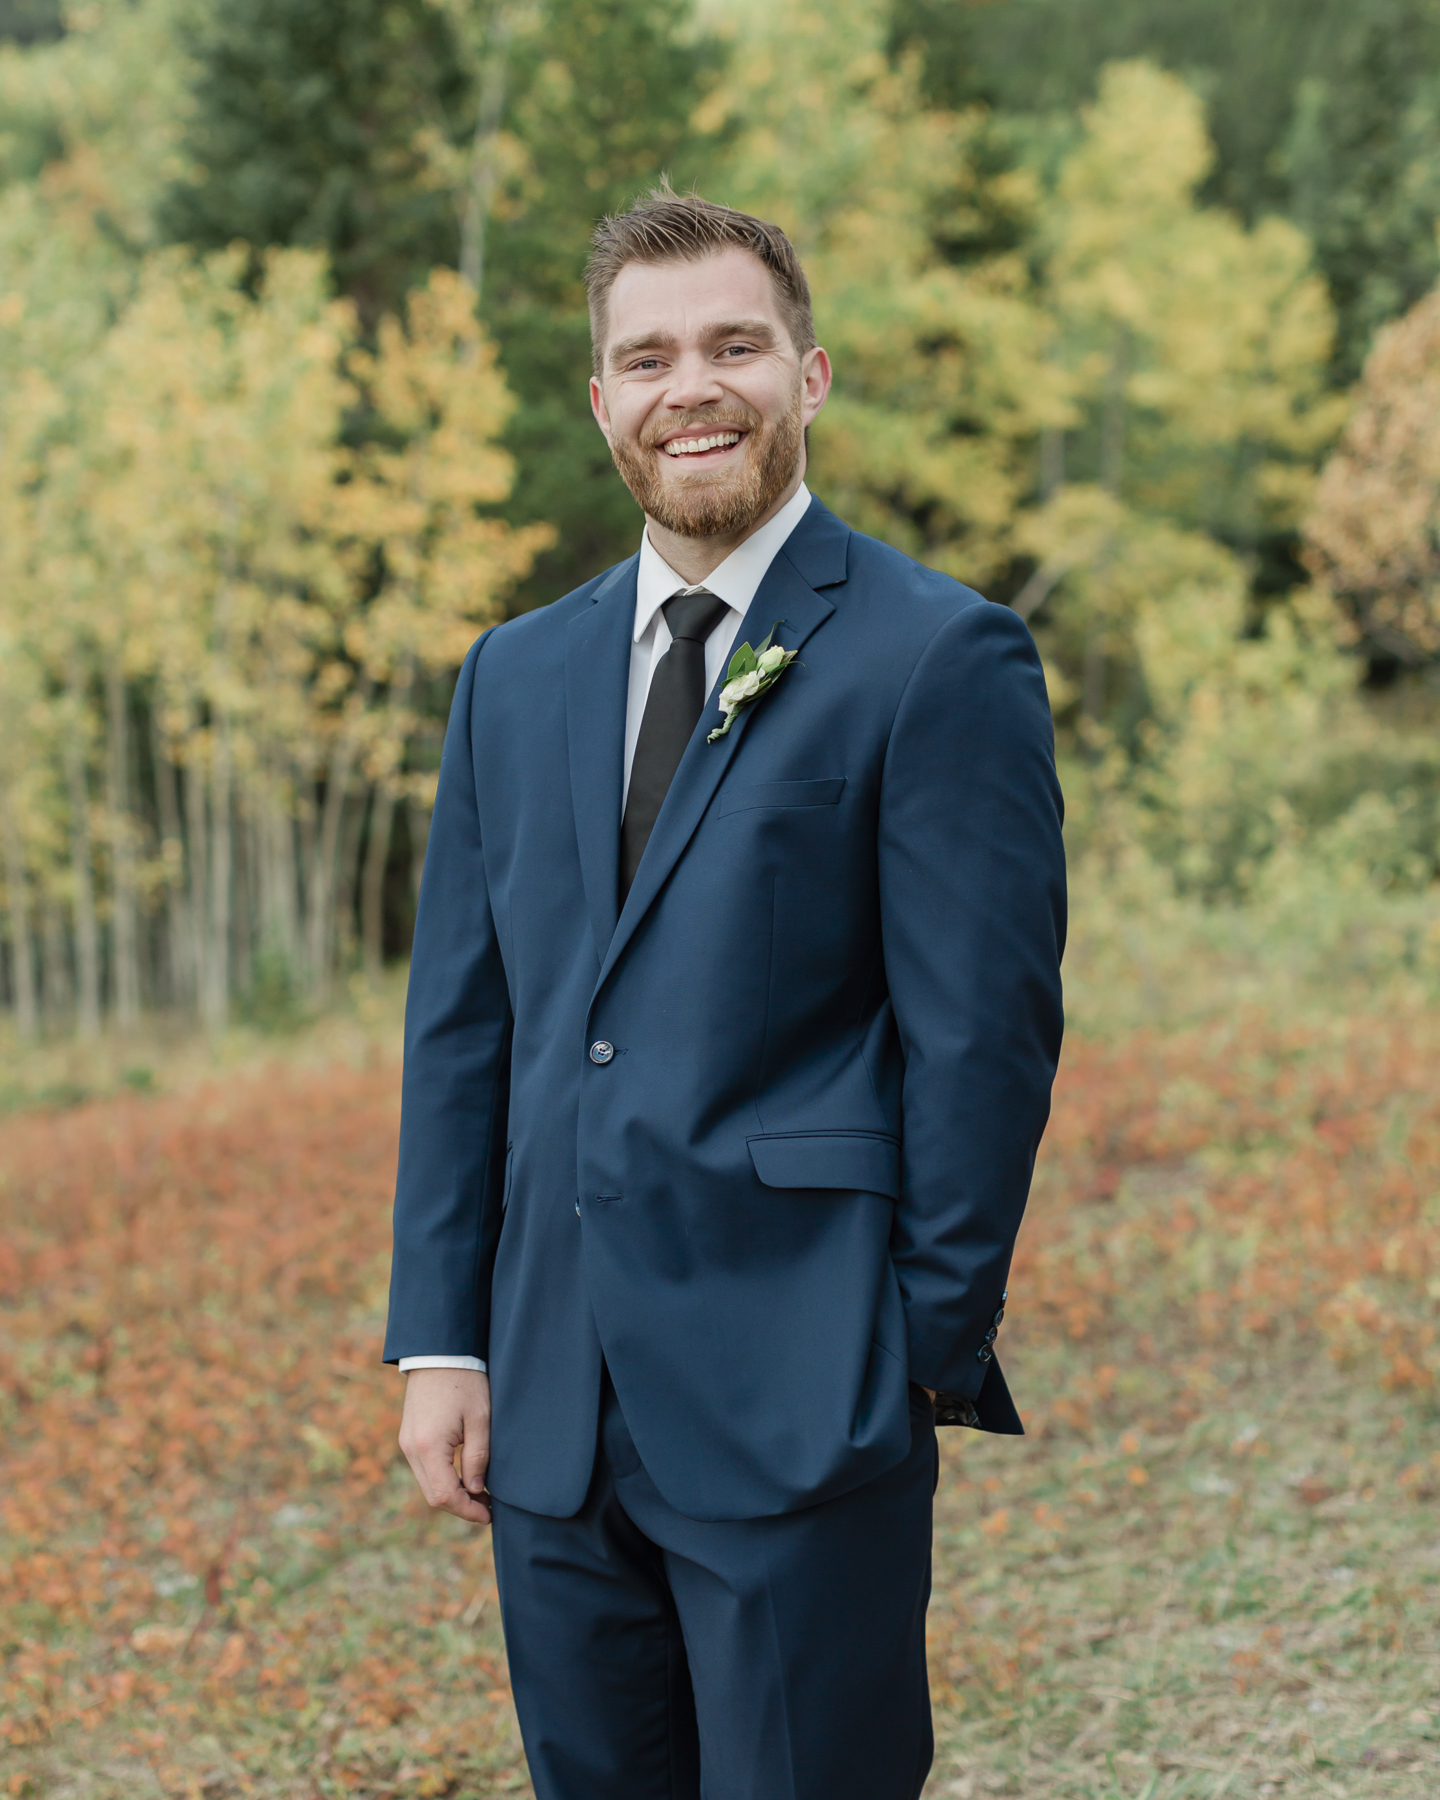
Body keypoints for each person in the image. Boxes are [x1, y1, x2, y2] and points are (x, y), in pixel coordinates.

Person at [384, 186, 1066, 1800]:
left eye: (735, 346)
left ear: (808, 376)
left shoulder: (936, 655)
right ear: (603, 398)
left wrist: (909, 1350)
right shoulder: (512, 675)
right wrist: (442, 1340)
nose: (695, 386)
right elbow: (465, 1025)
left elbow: (983, 1037)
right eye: (652, 356)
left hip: (803, 1388)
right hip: (550, 1406)